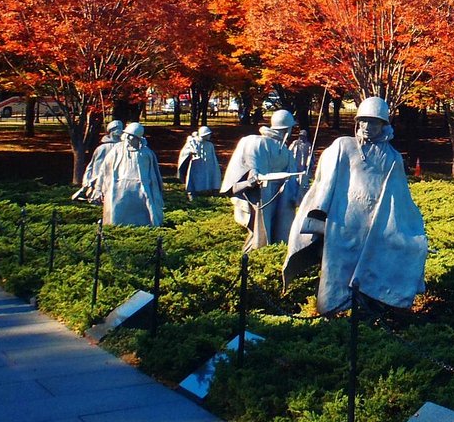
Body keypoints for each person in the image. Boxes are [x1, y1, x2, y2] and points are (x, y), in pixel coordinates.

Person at [283, 96, 427, 313]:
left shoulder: (393, 158)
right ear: (357, 122)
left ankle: (371, 309)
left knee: (374, 266)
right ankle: (333, 311)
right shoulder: (343, 146)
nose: (368, 126)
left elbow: (400, 197)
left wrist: (411, 231)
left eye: (375, 122)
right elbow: (325, 182)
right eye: (364, 121)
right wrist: (318, 215)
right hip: (342, 221)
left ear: (384, 125)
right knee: (337, 271)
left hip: (375, 225)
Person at [222, 109, 297, 251]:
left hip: (280, 195)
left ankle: (273, 254)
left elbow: (292, 172)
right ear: (287, 128)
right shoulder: (257, 142)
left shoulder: (285, 150)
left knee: (278, 230)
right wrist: (254, 176)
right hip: (261, 194)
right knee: (259, 232)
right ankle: (250, 258)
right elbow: (253, 165)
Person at [98, 122, 165, 227]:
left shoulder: (146, 153)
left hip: (141, 189)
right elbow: (104, 169)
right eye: (127, 134)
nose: (128, 138)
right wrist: (99, 188)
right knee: (116, 214)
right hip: (119, 188)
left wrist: (156, 191)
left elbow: (154, 175)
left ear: (138, 138)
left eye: (132, 136)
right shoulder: (116, 150)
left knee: (145, 214)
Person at [78, 119, 124, 202]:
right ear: (112, 131)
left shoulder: (124, 147)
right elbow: (96, 168)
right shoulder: (102, 148)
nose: (121, 131)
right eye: (119, 128)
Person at [177, 125, 222, 199]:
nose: (209, 136)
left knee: (211, 176)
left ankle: (211, 190)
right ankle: (192, 193)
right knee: (194, 179)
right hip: (196, 165)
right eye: (208, 135)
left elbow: (212, 157)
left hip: (208, 165)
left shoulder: (210, 145)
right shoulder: (192, 142)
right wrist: (190, 152)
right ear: (203, 135)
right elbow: (184, 152)